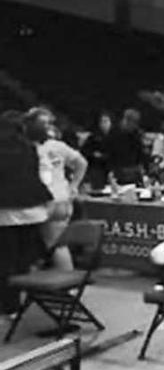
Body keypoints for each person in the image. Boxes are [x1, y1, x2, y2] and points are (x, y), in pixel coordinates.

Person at [0, 111, 54, 317]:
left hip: (5, 212)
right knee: (24, 259)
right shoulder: (30, 148)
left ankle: (9, 305)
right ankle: (21, 300)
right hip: (33, 210)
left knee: (5, 260)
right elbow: (44, 178)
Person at [23, 107, 88, 271]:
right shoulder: (57, 146)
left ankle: (30, 286)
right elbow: (82, 163)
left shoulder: (26, 148)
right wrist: (73, 186)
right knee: (58, 246)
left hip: (41, 203)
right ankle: (67, 289)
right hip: (62, 200)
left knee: (27, 247)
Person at [106, 108, 147, 184]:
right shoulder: (114, 133)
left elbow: (140, 152)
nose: (135, 125)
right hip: (118, 169)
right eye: (134, 122)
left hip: (134, 169)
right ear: (126, 120)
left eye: (137, 122)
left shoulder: (136, 133)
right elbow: (109, 153)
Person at [81, 111, 113, 189]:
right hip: (97, 168)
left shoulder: (115, 136)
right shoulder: (93, 137)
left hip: (111, 167)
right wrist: (94, 155)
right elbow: (85, 152)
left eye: (106, 121)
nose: (104, 124)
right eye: (102, 121)